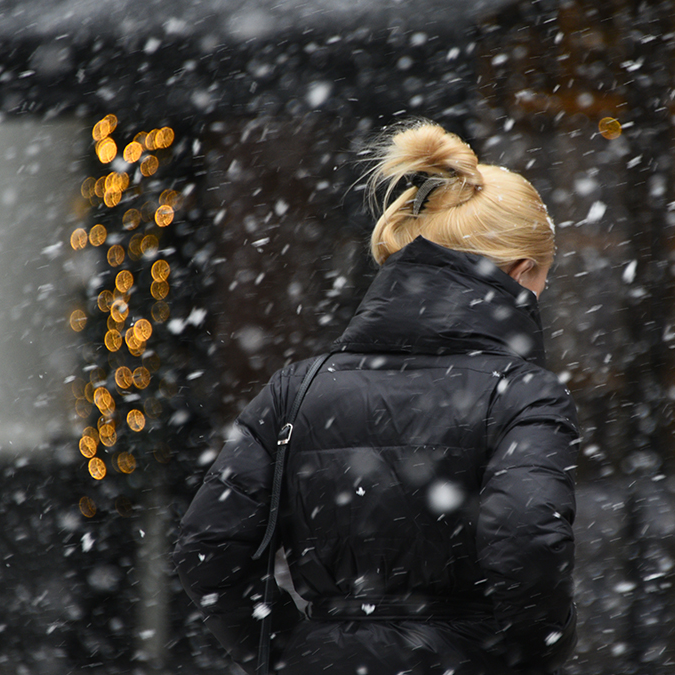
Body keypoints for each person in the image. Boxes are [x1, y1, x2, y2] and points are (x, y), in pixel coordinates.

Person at [173, 120, 578, 675]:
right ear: (520, 270)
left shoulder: (297, 388)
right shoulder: (521, 392)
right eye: (543, 279)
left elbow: (208, 549)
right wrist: (524, 656)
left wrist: (294, 652)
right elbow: (527, 542)